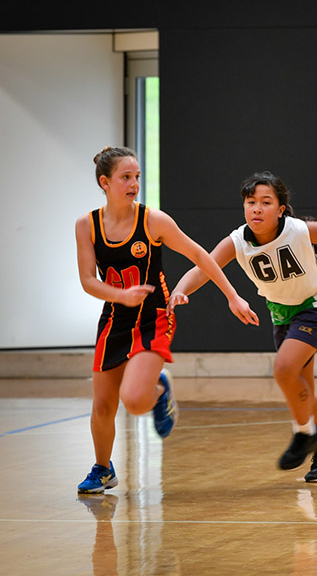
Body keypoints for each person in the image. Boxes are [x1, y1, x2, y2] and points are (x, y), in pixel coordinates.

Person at [168, 171, 317, 482]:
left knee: (283, 369)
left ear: (280, 209)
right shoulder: (237, 241)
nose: (257, 209)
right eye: (251, 202)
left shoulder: (299, 231)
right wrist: (180, 290)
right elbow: (203, 268)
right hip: (282, 313)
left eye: (266, 202)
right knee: (301, 386)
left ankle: (303, 432)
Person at [75, 147, 259, 494]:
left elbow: (199, 255)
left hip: (153, 318)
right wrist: (121, 296)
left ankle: (159, 389)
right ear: (105, 182)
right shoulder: (86, 225)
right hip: (114, 320)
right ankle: (103, 469)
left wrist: (233, 296)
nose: (134, 184)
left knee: (134, 400)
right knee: (102, 406)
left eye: (137, 177)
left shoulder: (153, 221)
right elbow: (88, 280)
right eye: (125, 178)